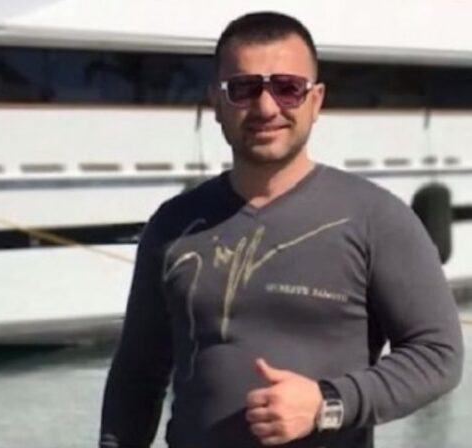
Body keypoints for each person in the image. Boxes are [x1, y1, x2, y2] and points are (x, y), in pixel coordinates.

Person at [99, 11, 464, 448]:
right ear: (216, 103)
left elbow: (438, 354)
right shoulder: (174, 224)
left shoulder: (375, 218)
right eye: (244, 89)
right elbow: (137, 374)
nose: (266, 107)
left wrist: (328, 403)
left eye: (288, 88)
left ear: (316, 100)